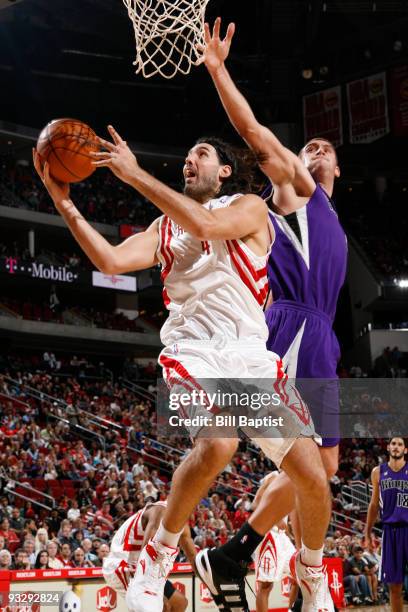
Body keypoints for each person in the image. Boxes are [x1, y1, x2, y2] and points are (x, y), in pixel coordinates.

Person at [33, 128, 332, 612]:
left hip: (251, 356)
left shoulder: (250, 208)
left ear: (225, 171)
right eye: (188, 155)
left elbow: (207, 227)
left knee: (313, 477)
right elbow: (110, 258)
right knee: (218, 442)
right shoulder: (161, 229)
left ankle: (313, 575)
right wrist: (64, 203)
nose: (189, 160)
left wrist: (134, 175)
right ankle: (157, 556)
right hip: (193, 350)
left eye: (202, 153)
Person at [192, 18, 347, 605]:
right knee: (307, 466)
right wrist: (218, 69)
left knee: (326, 467)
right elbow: (255, 132)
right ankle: (307, 577)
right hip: (291, 324)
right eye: (307, 148)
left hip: (322, 335)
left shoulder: (330, 218)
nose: (312, 152)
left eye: (323, 149)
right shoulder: (294, 192)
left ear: (340, 171)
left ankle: (234, 552)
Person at [103, 500, 194, 612]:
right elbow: (147, 555)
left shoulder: (180, 518)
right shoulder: (160, 511)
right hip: (122, 565)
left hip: (139, 564)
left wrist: (207, 575)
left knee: (180, 603)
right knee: (160, 606)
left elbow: (189, 547)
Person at [364, 436, 408, 612]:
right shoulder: (378, 472)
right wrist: (367, 532)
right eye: (393, 444)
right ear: (388, 448)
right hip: (390, 532)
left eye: (400, 444)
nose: (396, 447)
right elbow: (374, 504)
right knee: (394, 586)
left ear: (405, 450)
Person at [251, 473, 297, 612]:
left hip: (282, 537)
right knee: (266, 585)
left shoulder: (296, 479)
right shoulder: (274, 476)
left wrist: (289, 533)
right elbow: (255, 504)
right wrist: (276, 519)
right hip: (268, 533)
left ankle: (290, 609)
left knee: (300, 574)